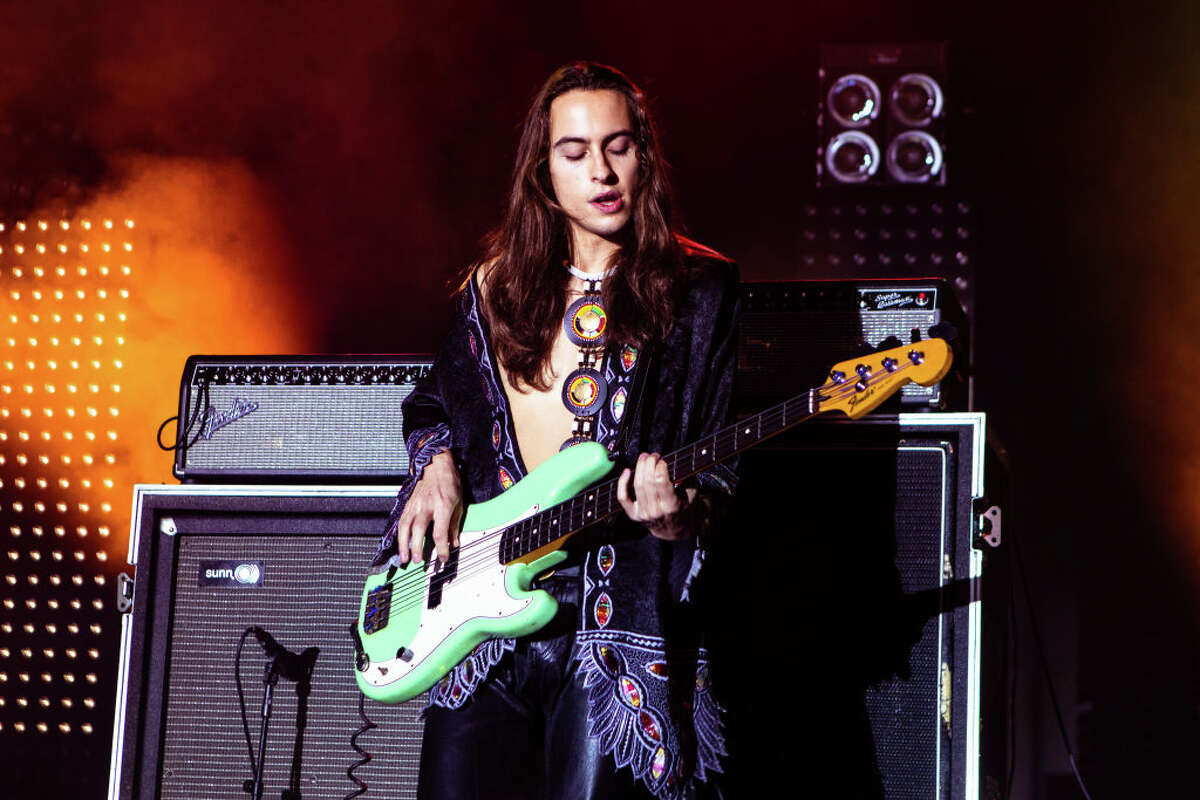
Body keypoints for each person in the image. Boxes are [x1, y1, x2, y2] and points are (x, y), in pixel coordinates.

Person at [370, 61, 740, 800]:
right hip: (480, 620)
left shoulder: (699, 290)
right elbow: (433, 401)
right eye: (574, 153)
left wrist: (679, 518)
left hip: (610, 625)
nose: (601, 171)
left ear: (646, 157)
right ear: (543, 172)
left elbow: (720, 461)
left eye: (619, 146)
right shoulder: (496, 286)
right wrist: (434, 463)